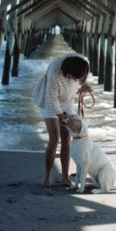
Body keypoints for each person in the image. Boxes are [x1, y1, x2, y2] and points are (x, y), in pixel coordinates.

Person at [33, 54, 92, 187]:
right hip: (47, 101)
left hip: (67, 101)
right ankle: (47, 177)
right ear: (68, 72)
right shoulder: (55, 74)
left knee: (67, 138)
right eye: (74, 77)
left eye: (79, 78)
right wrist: (66, 120)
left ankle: (65, 177)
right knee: (54, 138)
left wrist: (84, 85)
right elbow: (53, 105)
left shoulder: (82, 64)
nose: (76, 80)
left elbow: (81, 78)